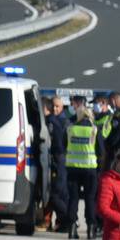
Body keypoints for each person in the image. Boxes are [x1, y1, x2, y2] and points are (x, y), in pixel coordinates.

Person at [63, 94, 100, 238]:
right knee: (90, 198)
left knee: (73, 198)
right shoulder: (93, 130)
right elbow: (101, 150)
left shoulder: (71, 129)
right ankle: (91, 228)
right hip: (90, 169)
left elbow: (63, 145)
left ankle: (72, 228)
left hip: (72, 168)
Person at [42, 96, 69, 230]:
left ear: (62, 107)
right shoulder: (56, 121)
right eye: (53, 106)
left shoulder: (59, 122)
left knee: (56, 195)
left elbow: (59, 144)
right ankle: (61, 222)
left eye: (57, 106)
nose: (55, 109)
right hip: (57, 161)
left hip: (60, 161)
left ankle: (68, 219)